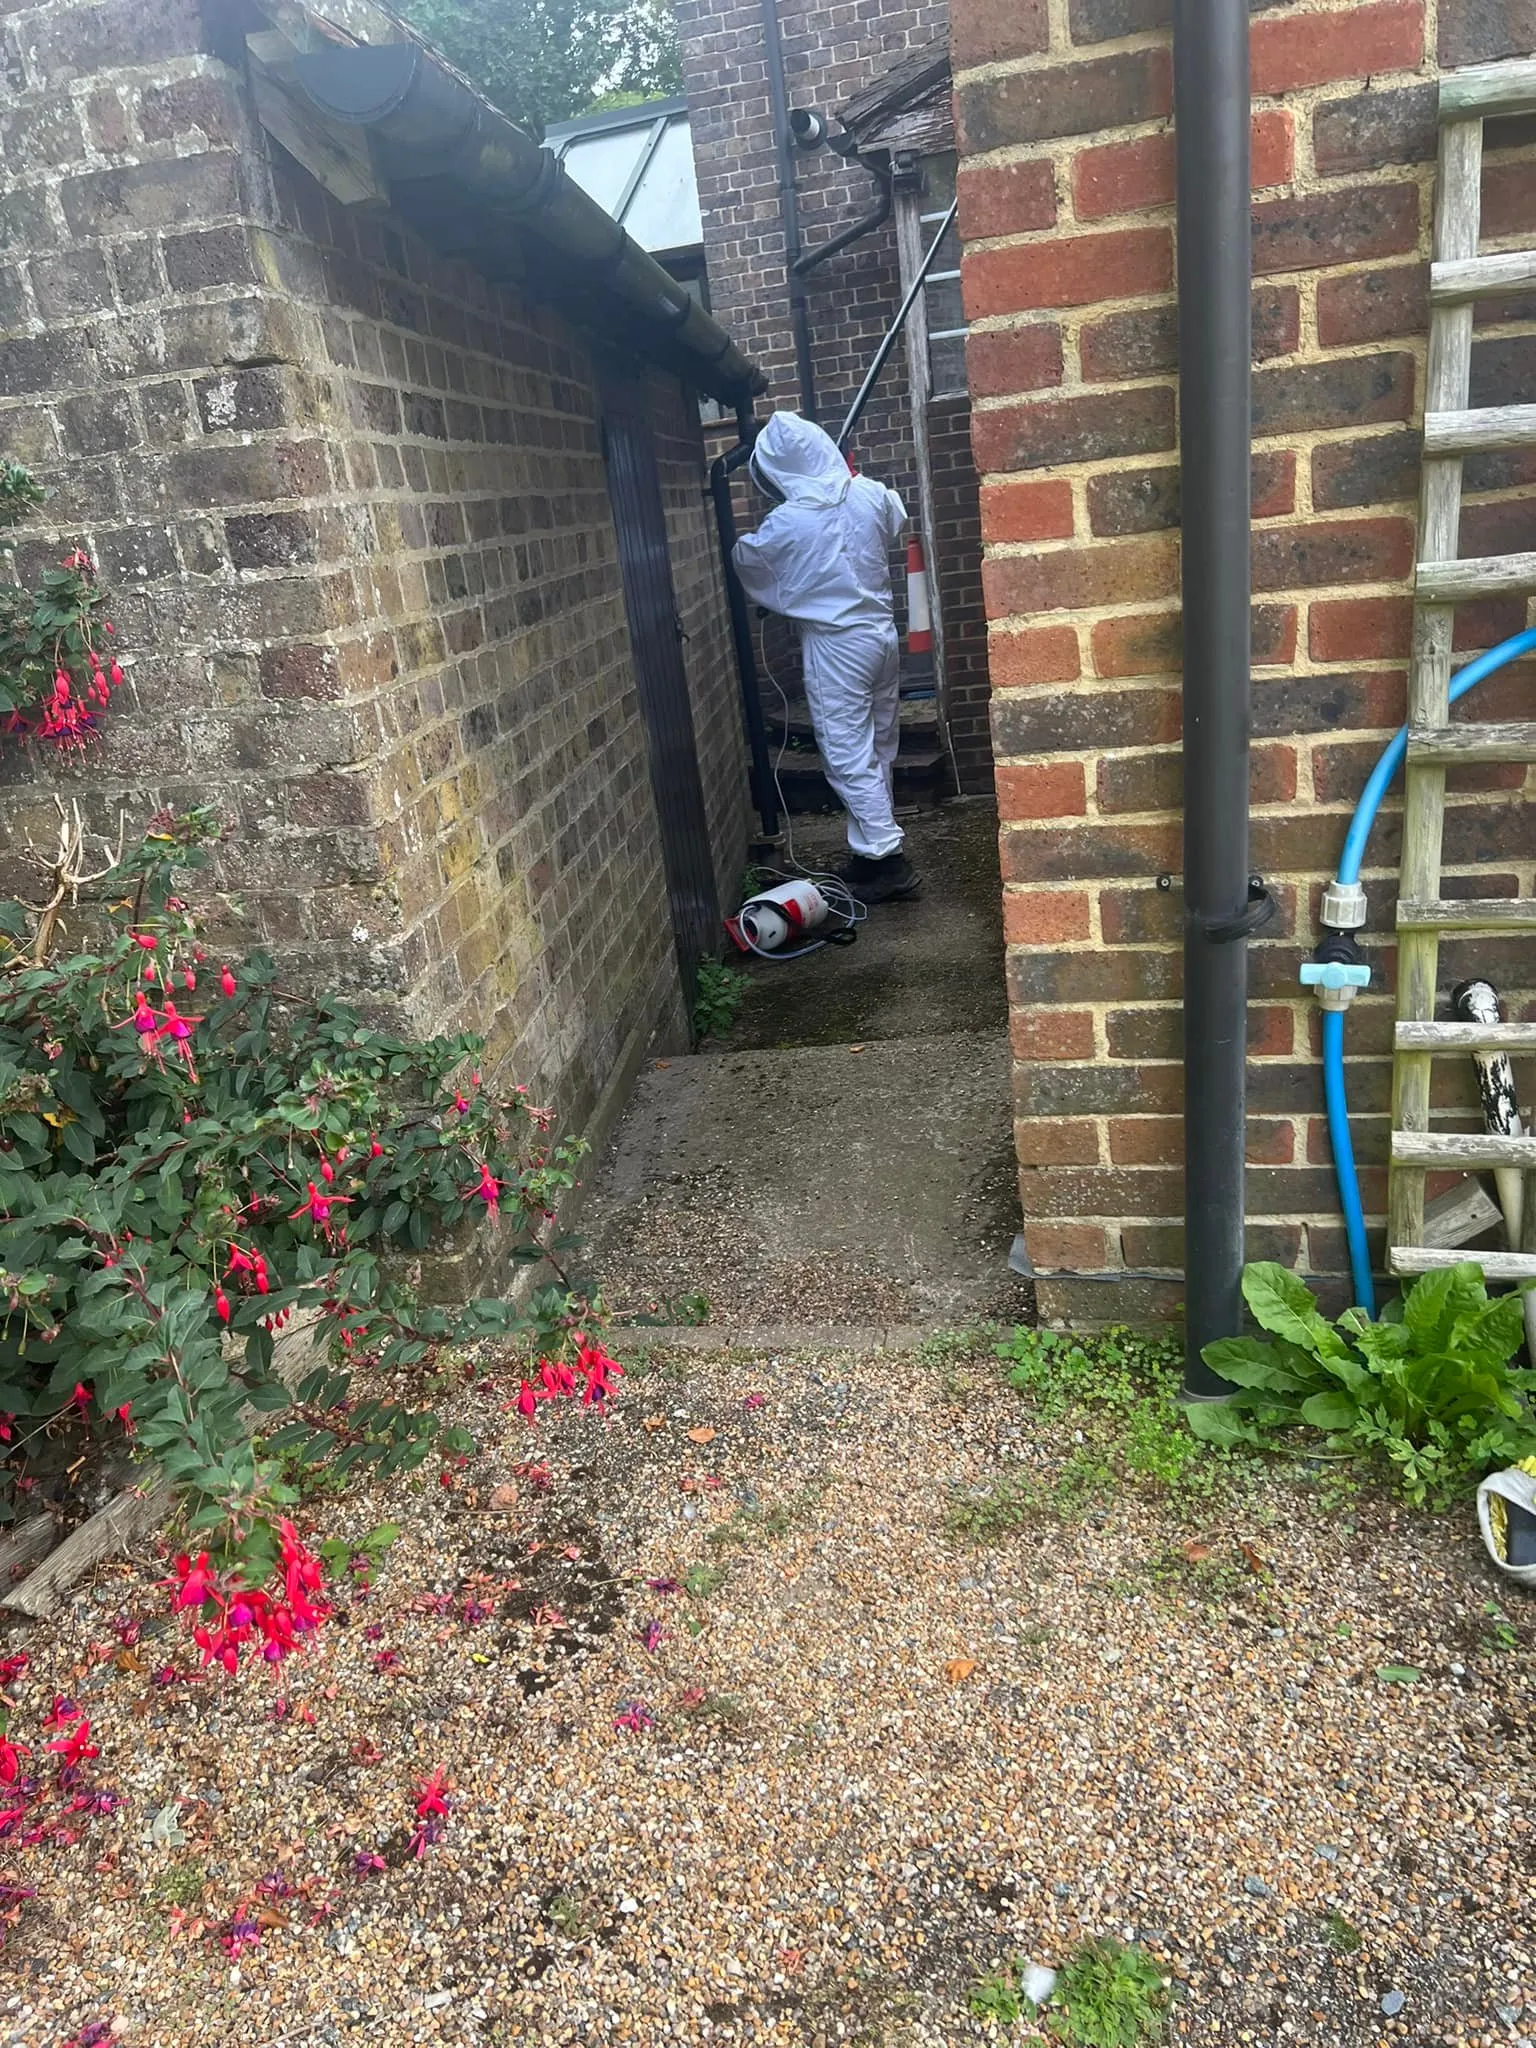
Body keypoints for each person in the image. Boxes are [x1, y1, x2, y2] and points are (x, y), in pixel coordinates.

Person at [732, 411, 921, 904]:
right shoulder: (869, 492)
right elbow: (896, 516)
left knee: (845, 753)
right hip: (880, 635)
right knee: (878, 745)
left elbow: (750, 559)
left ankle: (889, 861)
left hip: (837, 644)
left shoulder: (791, 519)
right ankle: (869, 853)